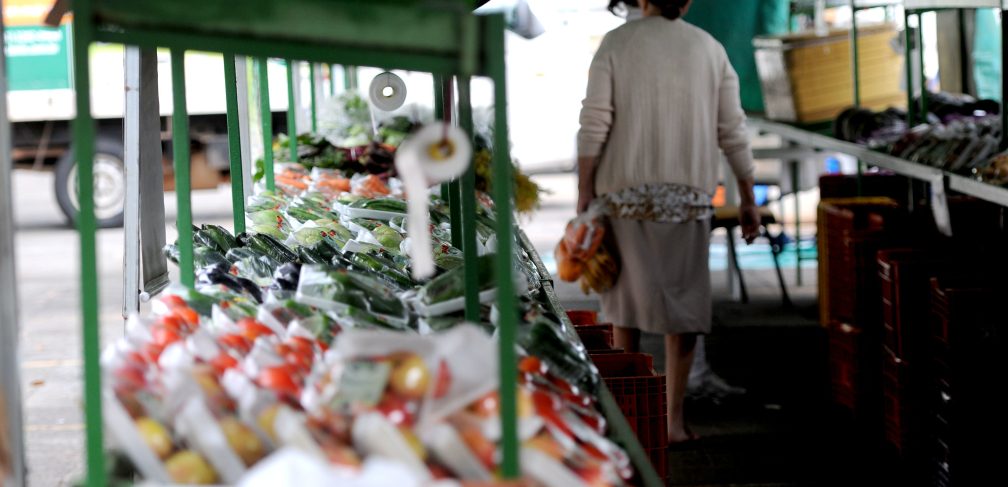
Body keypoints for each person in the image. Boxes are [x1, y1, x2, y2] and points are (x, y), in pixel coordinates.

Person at [576, 0, 759, 444]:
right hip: (689, 199)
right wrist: (748, 195)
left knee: (626, 312)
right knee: (684, 313)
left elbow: (595, 121)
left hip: (624, 197)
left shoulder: (617, 43)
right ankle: (674, 422)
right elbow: (732, 128)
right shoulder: (709, 48)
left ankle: (630, 419)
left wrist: (585, 189)